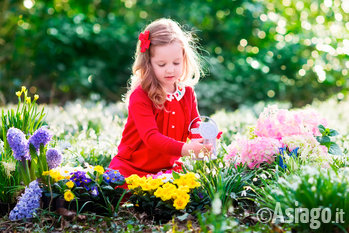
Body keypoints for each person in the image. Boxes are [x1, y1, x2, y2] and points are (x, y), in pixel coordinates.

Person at [109, 18, 211, 178]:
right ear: (148, 63)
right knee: (124, 196)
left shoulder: (187, 93)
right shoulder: (141, 95)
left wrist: (204, 140)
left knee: (187, 194)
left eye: (176, 63)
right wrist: (185, 149)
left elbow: (194, 125)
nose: (170, 70)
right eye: (162, 65)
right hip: (132, 169)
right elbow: (151, 138)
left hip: (166, 170)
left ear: (184, 58)